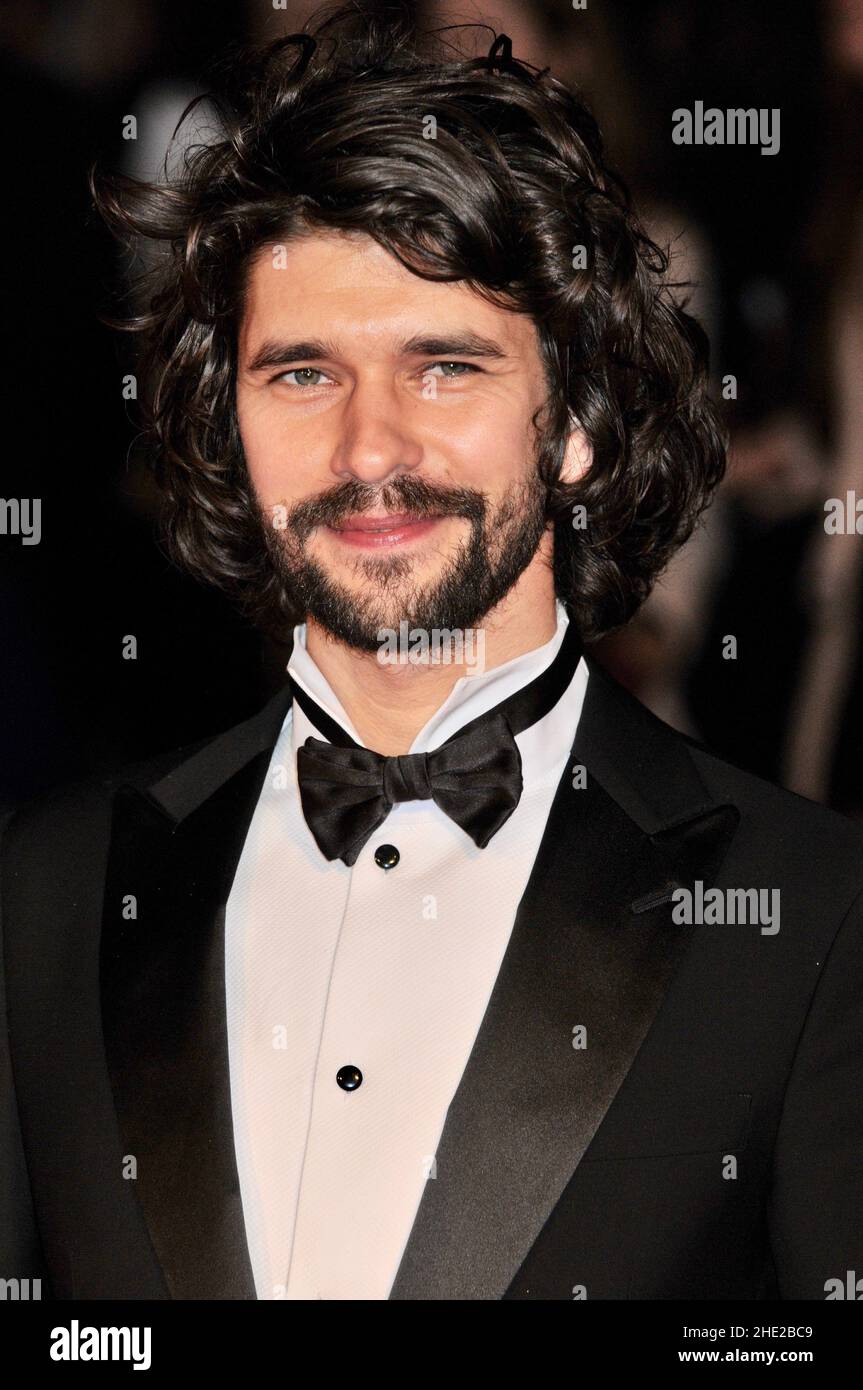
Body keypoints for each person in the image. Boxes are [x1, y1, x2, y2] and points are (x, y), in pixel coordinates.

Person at [1, 4, 861, 1302]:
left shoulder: (812, 915)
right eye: (301, 374)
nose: (369, 449)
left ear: (571, 421)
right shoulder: (48, 891)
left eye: (443, 367)